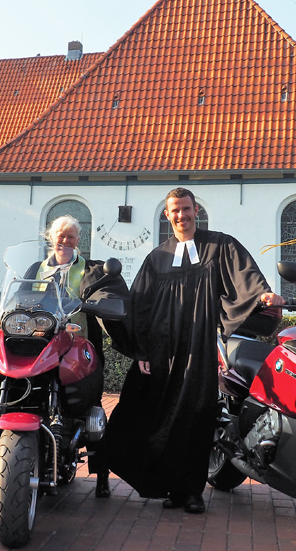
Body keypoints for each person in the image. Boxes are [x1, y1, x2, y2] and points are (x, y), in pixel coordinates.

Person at [105, 188, 283, 514]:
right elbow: (139, 307)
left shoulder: (219, 245)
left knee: (197, 417)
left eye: (186, 209)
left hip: (199, 349)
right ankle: (169, 488)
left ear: (196, 209)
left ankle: (192, 492)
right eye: (175, 210)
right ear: (166, 214)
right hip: (161, 352)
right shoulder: (156, 258)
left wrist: (264, 295)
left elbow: (245, 277)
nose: (181, 215)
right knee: (161, 418)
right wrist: (142, 351)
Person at [25, 215, 130, 498]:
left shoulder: (91, 269)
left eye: (71, 236)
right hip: (41, 345)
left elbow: (107, 295)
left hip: (79, 347)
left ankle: (102, 476)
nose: (65, 240)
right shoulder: (36, 269)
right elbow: (20, 298)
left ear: (78, 241)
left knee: (91, 408)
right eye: (60, 234)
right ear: (50, 237)